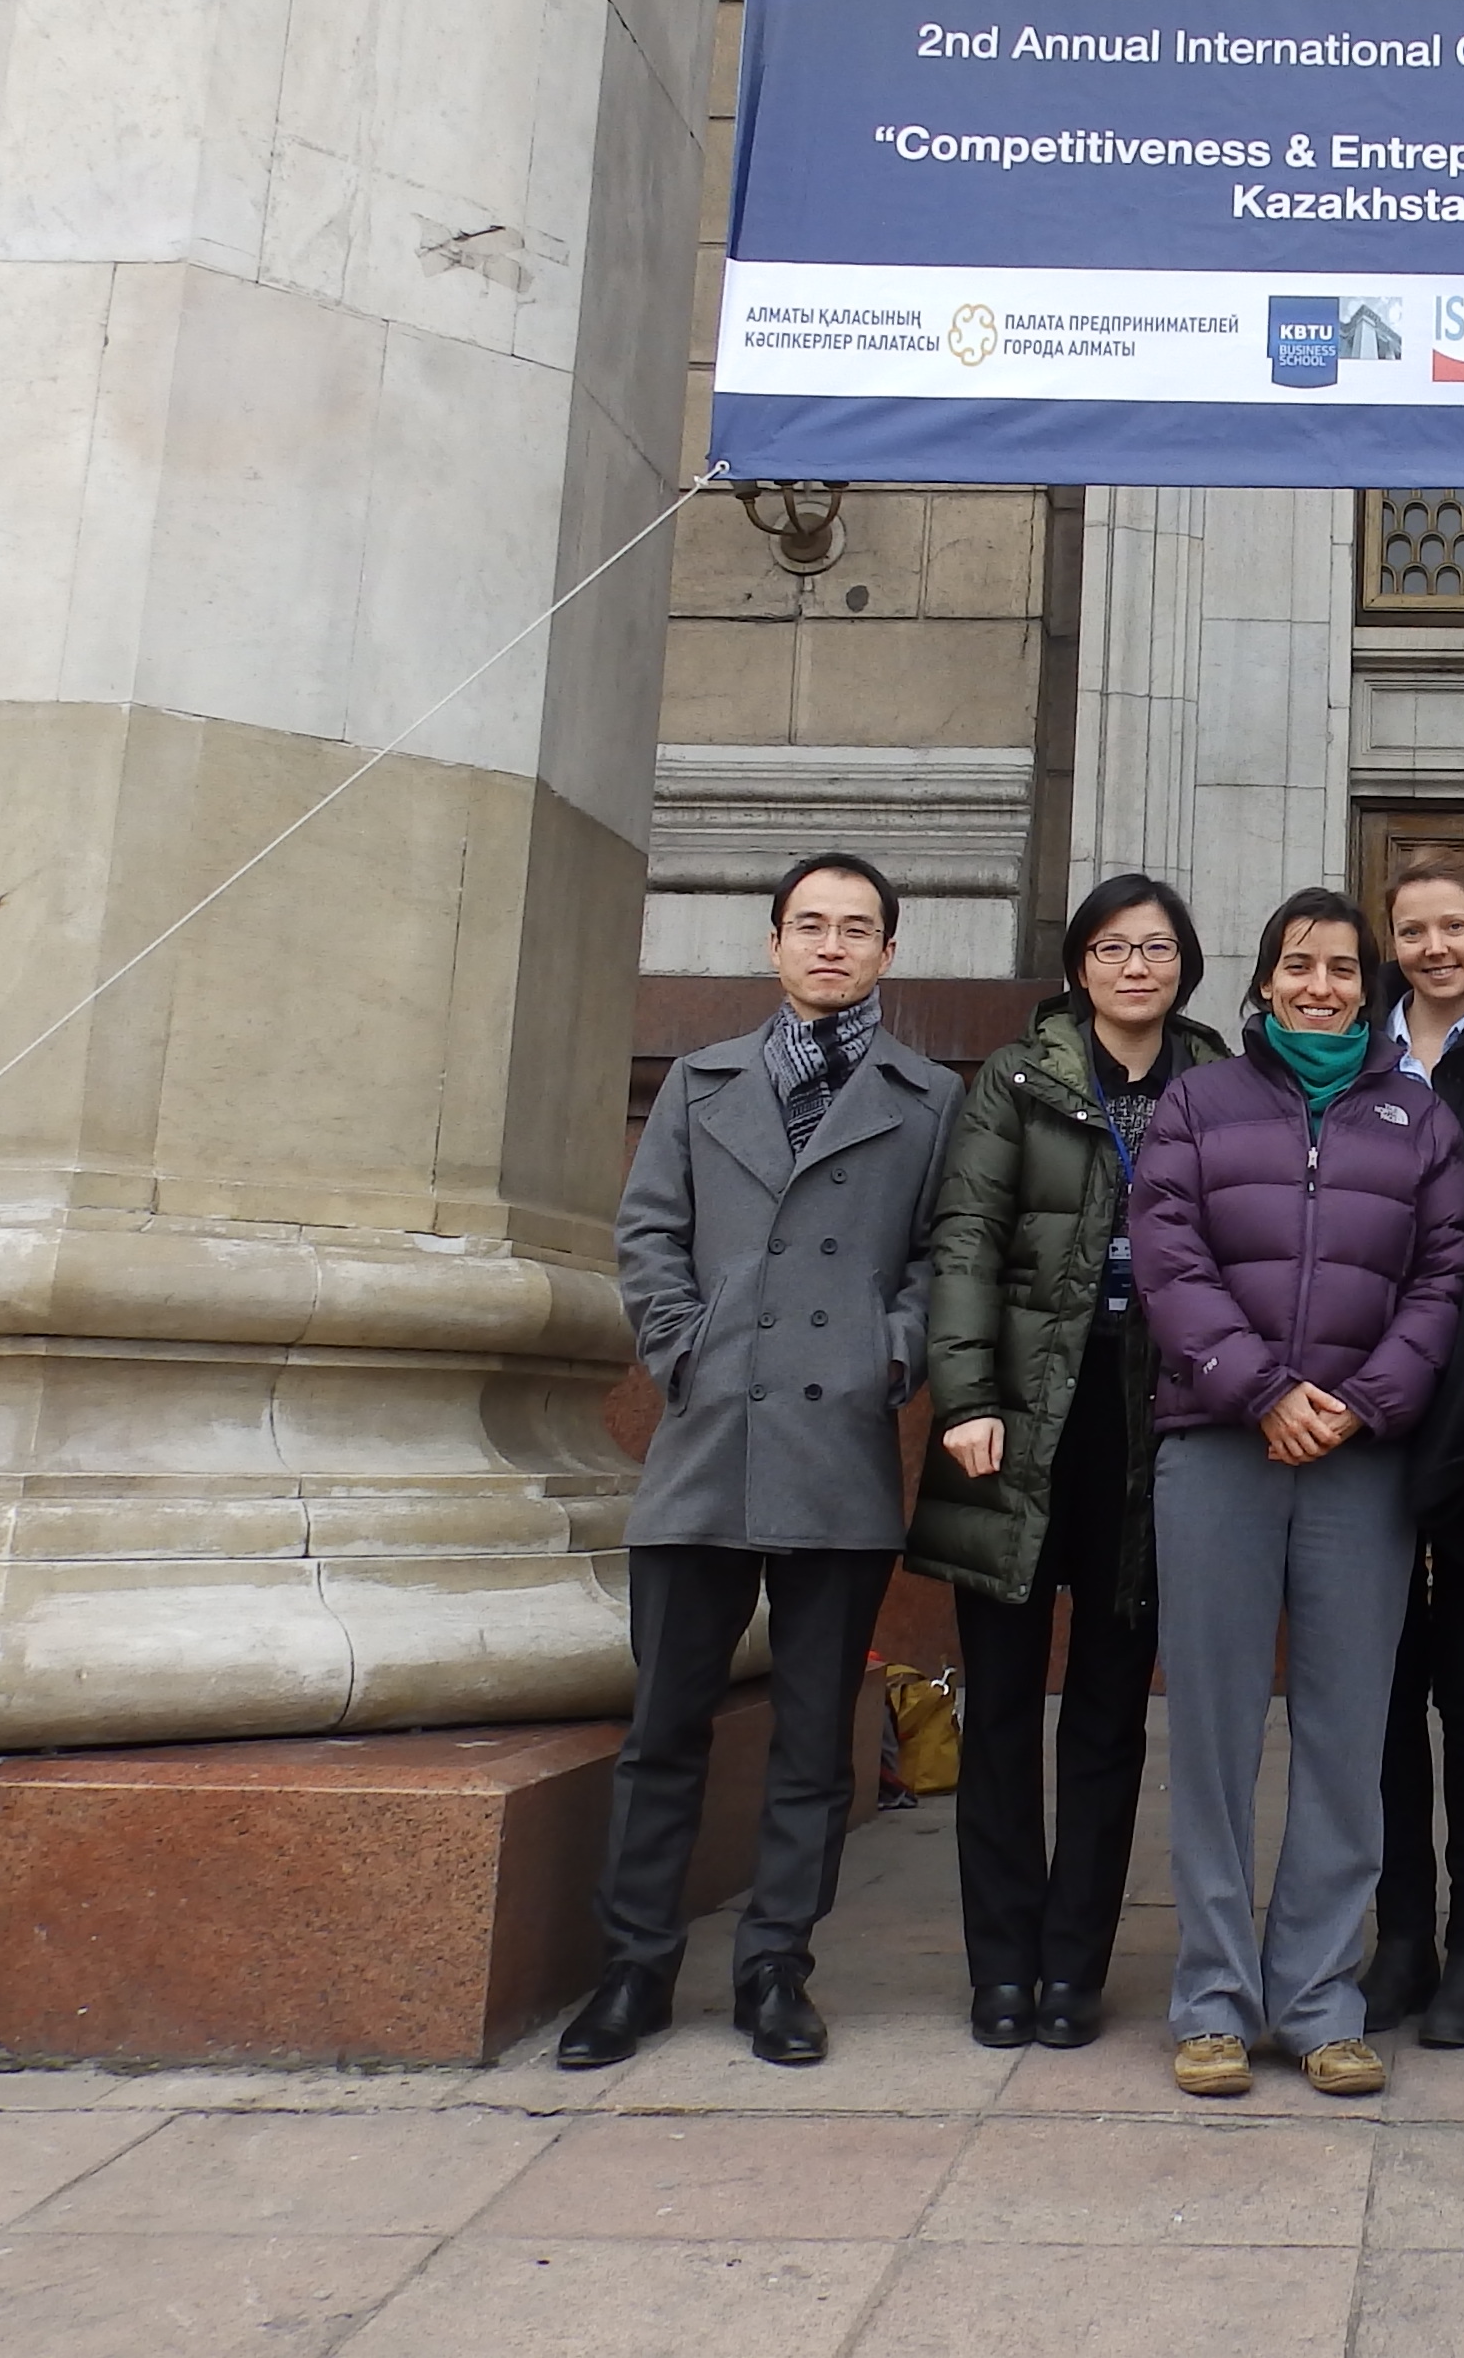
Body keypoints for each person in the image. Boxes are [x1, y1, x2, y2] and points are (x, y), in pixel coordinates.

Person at [561, 853, 959, 2070]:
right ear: (773, 941)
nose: (832, 946)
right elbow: (648, 1234)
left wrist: (891, 1354)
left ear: (889, 951)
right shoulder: (699, 1082)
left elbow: (943, 1254)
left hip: (837, 1445)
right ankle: (632, 1971)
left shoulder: (930, 1098)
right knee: (665, 1728)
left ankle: (777, 1970)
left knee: (811, 1736)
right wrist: (682, 1350)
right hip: (707, 1439)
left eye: (857, 929)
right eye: (810, 925)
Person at [1129, 886, 1464, 2099]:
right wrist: (1263, 1390)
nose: (1319, 986)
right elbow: (1167, 1256)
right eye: (1297, 964)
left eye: (1339, 968)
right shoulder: (1199, 1101)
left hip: (1359, 1462)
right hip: (1219, 1446)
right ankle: (1213, 2002)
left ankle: (1323, 1998)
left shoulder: (1417, 1118)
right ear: (1265, 981)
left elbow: (1445, 1276)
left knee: (1344, 1734)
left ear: (1367, 988)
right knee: (1214, 1735)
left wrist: (1363, 1403)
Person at [904, 874, 1226, 2054]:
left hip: (1156, 1424)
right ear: (1079, 964)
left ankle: (1072, 1969)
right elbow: (966, 1243)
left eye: (1156, 947)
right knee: (1000, 1704)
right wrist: (965, 1397)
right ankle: (1003, 1964)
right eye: (1112, 947)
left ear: (1185, 965)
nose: (1135, 967)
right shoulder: (1014, 1077)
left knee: (1108, 1706)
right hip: (1017, 1418)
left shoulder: (1219, 1083)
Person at [1365, 850, 1464, 2046]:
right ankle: (1400, 1937)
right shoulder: (1352, 1045)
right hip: (1363, 1399)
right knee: (1378, 1688)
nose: (1434, 949)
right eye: (1413, 931)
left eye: (1453, 927)